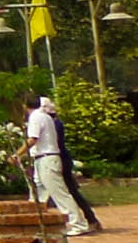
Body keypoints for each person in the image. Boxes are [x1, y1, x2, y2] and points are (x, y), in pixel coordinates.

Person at [15, 91, 92, 236]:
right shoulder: (45, 117)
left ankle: (78, 224)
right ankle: (38, 223)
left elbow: (33, 139)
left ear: (25, 105)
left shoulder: (36, 117)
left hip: (46, 159)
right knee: (38, 194)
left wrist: (17, 154)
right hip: (42, 157)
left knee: (59, 193)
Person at [36, 95, 104, 233]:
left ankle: (88, 220)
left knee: (69, 190)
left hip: (58, 159)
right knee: (62, 190)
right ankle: (90, 220)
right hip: (57, 158)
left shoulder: (52, 123)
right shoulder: (53, 122)